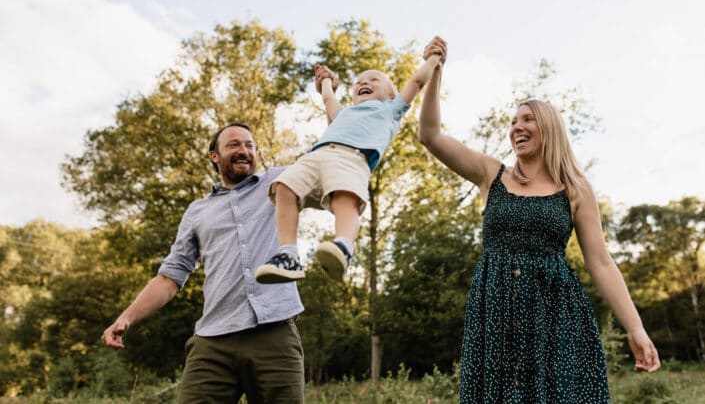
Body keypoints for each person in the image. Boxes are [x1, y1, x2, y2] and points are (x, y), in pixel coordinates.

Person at [418, 42, 660, 403]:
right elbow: (430, 135)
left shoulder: (576, 189)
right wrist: (435, 73)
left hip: (556, 316)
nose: (517, 126)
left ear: (548, 127)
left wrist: (636, 328)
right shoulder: (490, 174)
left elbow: (601, 262)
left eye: (527, 119)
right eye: (513, 121)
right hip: (495, 313)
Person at [101, 123, 305, 403]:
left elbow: (331, 156)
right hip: (213, 341)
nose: (243, 150)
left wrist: (332, 97)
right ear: (214, 156)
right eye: (234, 144)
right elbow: (169, 277)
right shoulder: (198, 211)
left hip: (274, 334)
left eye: (249, 145)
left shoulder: (279, 182)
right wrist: (125, 317)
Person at [254, 38, 447, 284]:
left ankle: (344, 246)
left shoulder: (390, 110)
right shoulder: (344, 114)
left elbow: (417, 81)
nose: (364, 82)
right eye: (359, 82)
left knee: (345, 196)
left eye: (374, 80)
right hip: (317, 155)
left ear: (391, 95)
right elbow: (328, 100)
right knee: (283, 186)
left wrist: (434, 58)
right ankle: (288, 254)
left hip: (352, 158)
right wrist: (325, 81)